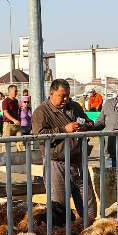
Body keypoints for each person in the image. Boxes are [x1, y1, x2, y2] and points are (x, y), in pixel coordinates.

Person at [31, 78, 97, 221]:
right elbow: (40, 136)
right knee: (59, 208)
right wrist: (63, 130)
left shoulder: (75, 107)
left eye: (67, 95)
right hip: (57, 164)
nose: (66, 99)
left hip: (78, 163)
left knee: (89, 208)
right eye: (62, 96)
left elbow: (90, 123)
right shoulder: (41, 112)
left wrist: (85, 127)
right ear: (51, 94)